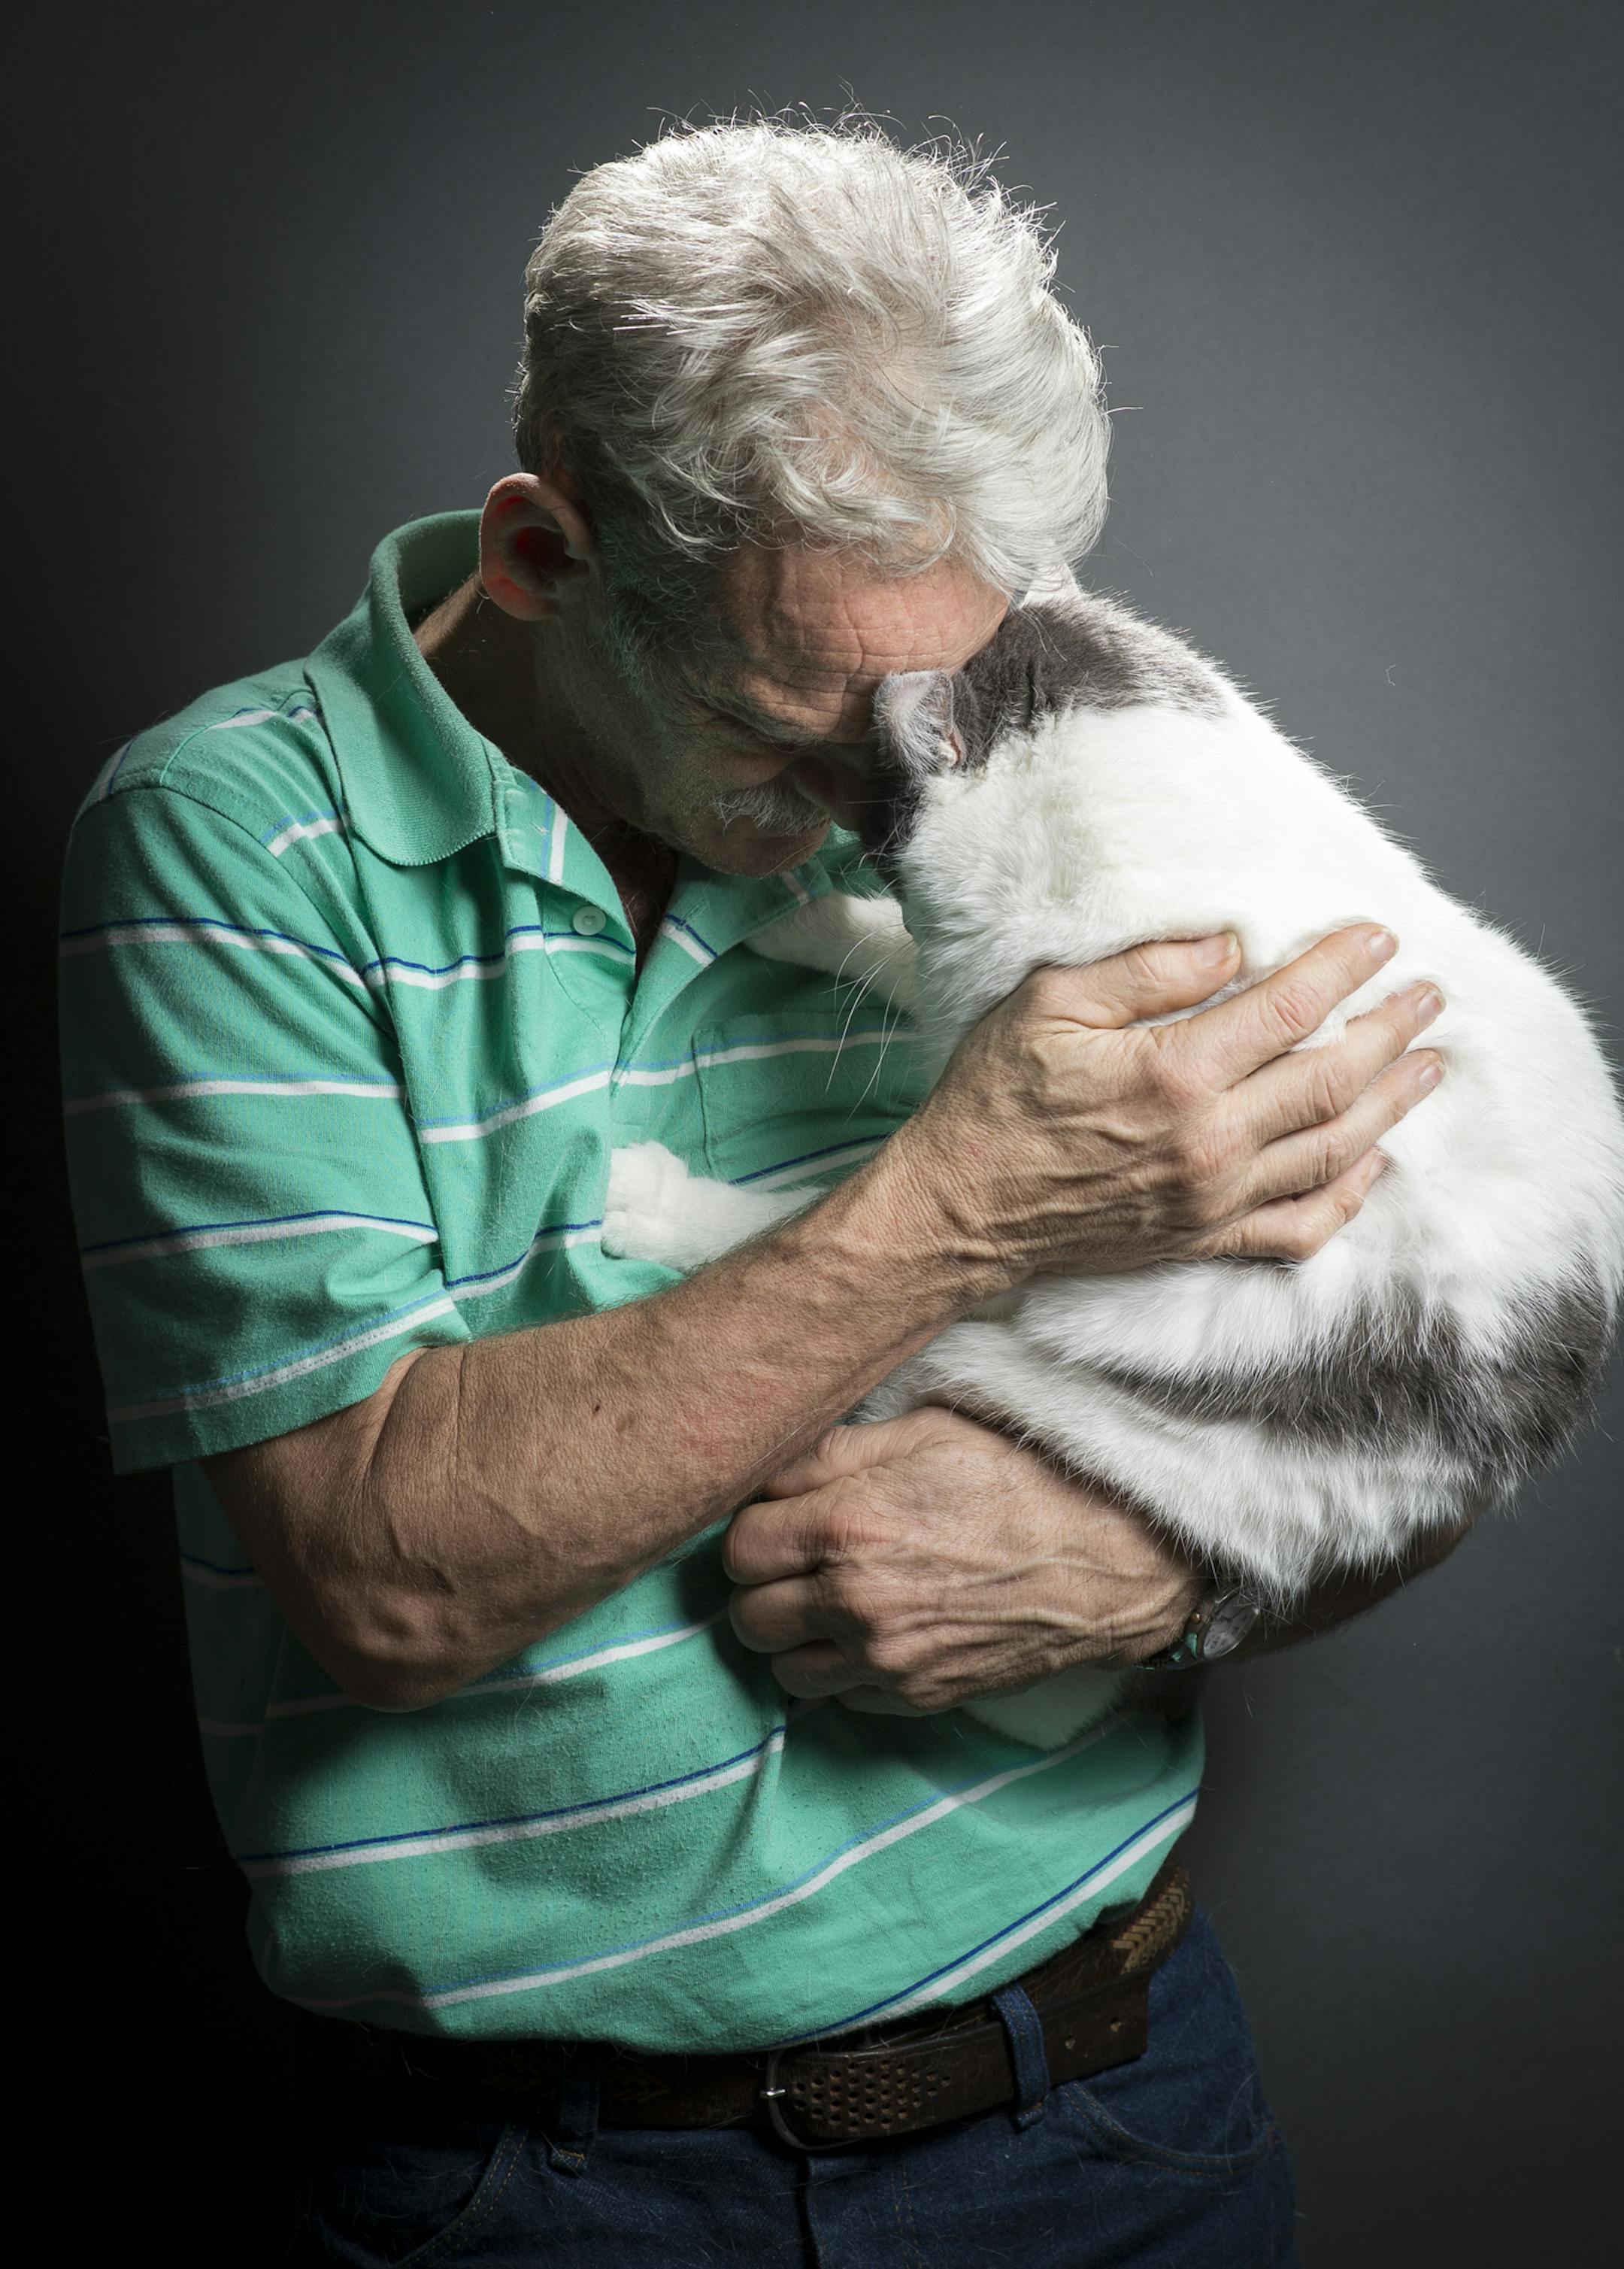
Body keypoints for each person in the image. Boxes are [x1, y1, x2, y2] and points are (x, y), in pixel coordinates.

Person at [59, 117, 1456, 2265]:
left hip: (1118, 2103)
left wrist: (1172, 1576)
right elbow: (381, 1570)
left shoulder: (976, 725)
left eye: (953, 689)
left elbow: (1445, 1356)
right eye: (806, 726)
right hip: (550, 2190)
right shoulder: (230, 847)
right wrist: (967, 1203)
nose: (907, 807)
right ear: (541, 551)